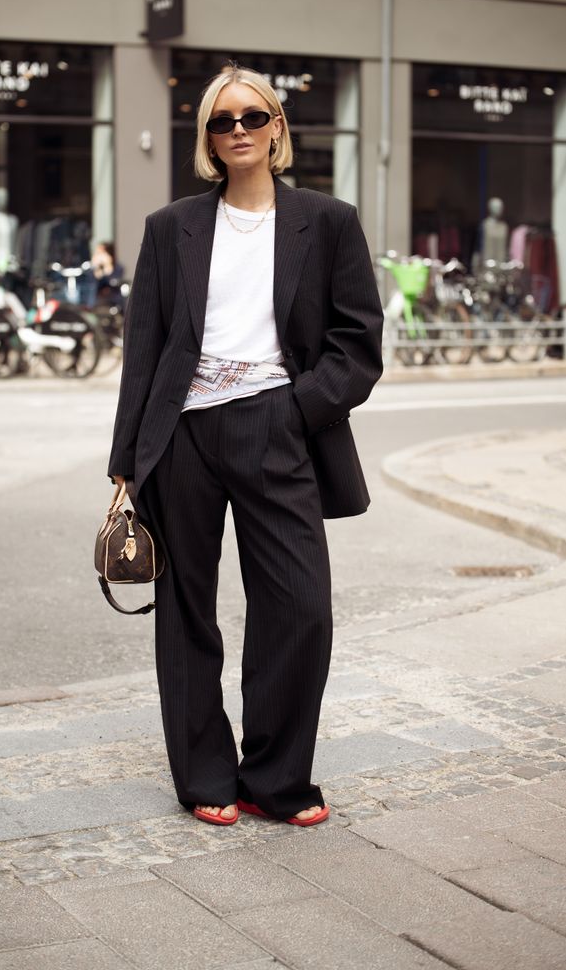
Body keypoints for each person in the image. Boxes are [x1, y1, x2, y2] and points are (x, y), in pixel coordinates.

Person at [107, 63, 383, 827]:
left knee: (299, 608)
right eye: (221, 121)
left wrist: (294, 410)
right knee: (187, 611)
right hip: (183, 437)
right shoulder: (172, 228)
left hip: (278, 424)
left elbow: (357, 344)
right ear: (206, 138)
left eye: (251, 117)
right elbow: (146, 347)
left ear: (277, 127)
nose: (237, 131)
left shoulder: (327, 221)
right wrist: (126, 463)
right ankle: (205, 775)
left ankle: (275, 777)